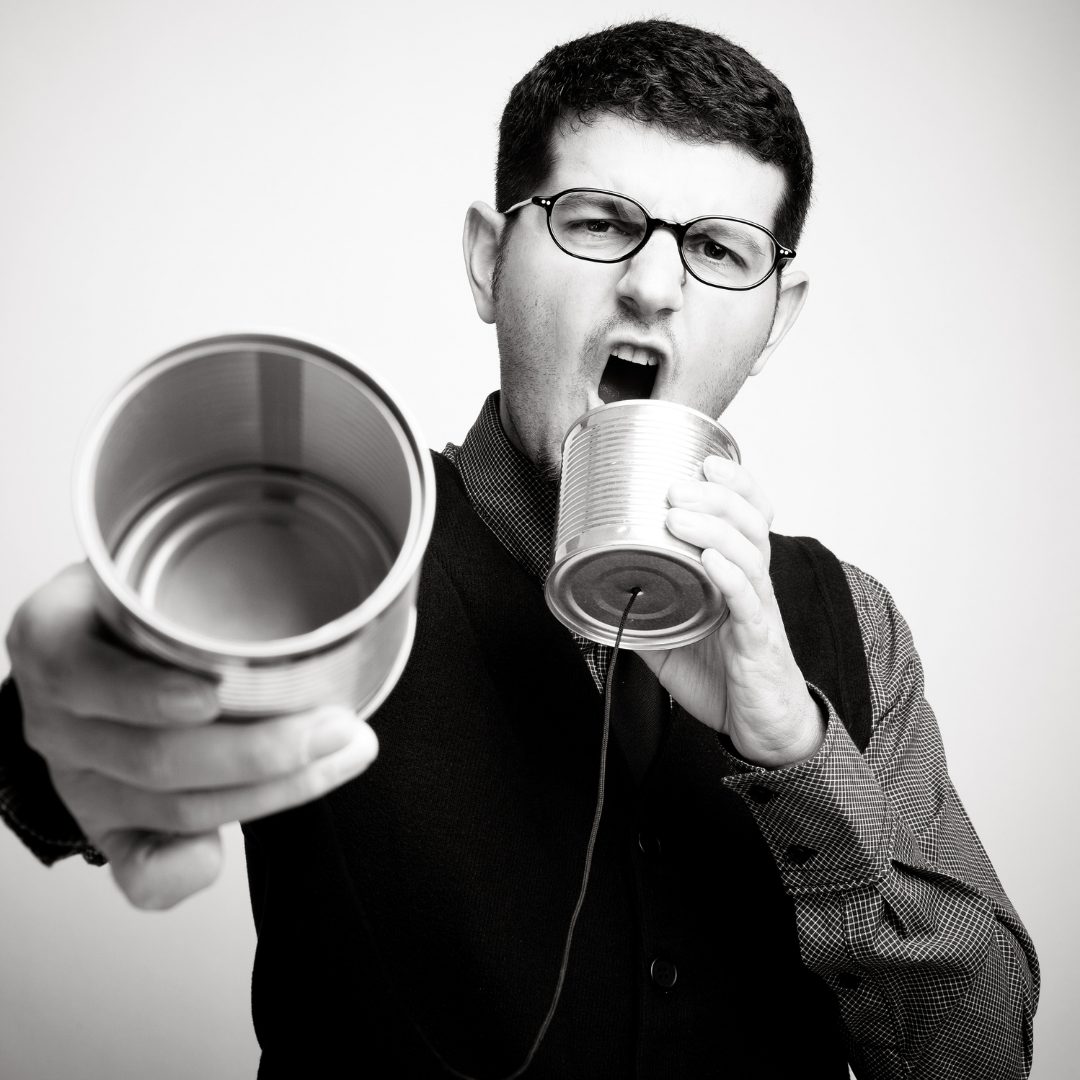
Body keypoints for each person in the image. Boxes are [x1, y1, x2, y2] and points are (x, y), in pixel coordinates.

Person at [0, 19, 1037, 1080]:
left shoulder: (852, 623)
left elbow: (981, 1056)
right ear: (490, 262)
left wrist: (795, 755)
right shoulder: (340, 546)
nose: (653, 287)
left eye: (719, 249)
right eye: (596, 223)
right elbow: (80, 730)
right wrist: (54, 728)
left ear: (776, 318)